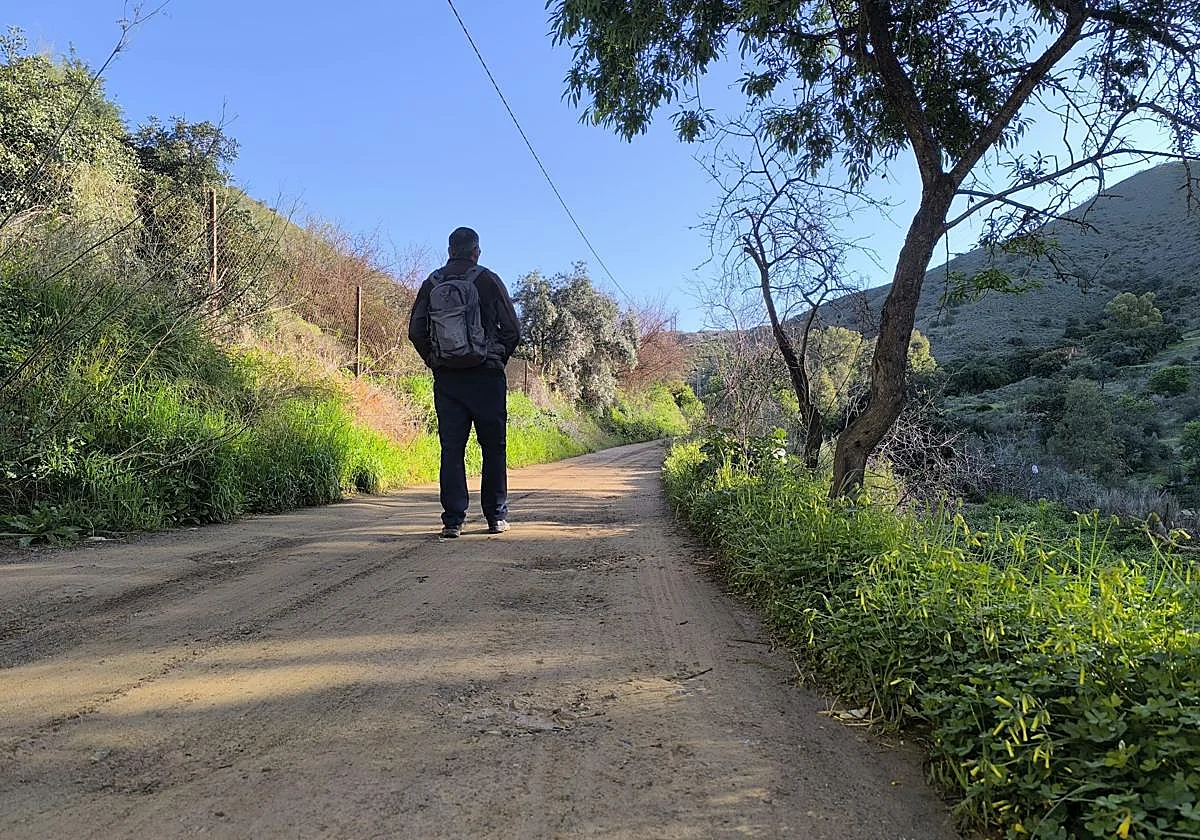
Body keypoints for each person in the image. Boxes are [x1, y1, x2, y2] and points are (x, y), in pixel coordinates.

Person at [408, 227, 521, 538]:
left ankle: (453, 521)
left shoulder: (432, 283)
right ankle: (496, 517)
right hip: (486, 377)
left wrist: (435, 360)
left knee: (452, 449)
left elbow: (416, 332)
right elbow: (513, 329)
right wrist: (496, 358)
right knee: (494, 448)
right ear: (476, 252)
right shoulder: (487, 280)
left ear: (449, 251)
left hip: (448, 378)